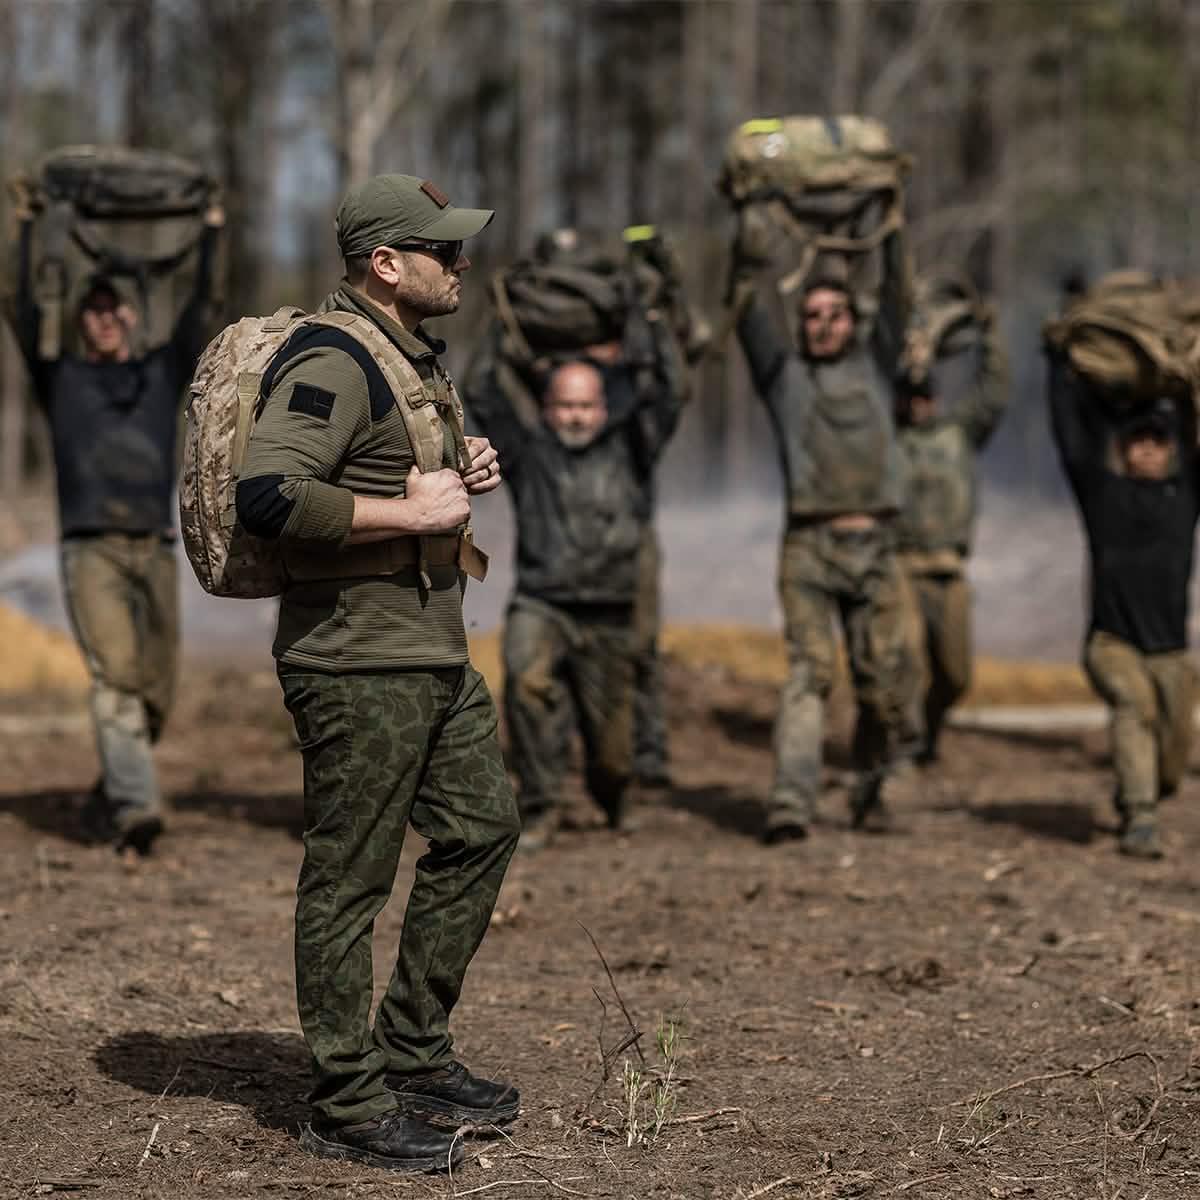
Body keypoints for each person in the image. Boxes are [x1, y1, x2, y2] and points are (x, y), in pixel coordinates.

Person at [235, 175, 521, 1173]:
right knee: (350, 883)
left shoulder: (403, 358)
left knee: (483, 830)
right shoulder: (333, 355)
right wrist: (414, 515)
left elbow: (382, 474)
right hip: (358, 664)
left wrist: (458, 472)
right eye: (442, 250)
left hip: (430, 653)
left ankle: (410, 1048)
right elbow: (267, 494)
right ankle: (346, 1104)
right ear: (385, 264)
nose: (462, 264)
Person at [7, 202, 222, 854]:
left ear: (129, 317)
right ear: (80, 322)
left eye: (112, 309)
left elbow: (199, 310)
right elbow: (19, 307)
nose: (100, 319)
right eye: (90, 311)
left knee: (156, 691)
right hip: (91, 547)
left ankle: (109, 796)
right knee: (116, 681)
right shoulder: (63, 377)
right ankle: (135, 809)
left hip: (155, 547)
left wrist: (210, 236)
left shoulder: (159, 374)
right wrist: (25, 229)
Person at [465, 307, 688, 849]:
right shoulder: (528, 451)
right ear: (546, 408)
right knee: (526, 678)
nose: (575, 416)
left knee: (612, 749)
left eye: (585, 405)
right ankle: (539, 805)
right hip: (542, 601)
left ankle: (613, 795)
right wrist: (502, 318)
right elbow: (479, 386)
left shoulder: (632, 447)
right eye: (564, 404)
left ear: (603, 407)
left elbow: (672, 392)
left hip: (611, 610)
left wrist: (654, 324)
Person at [733, 241, 920, 841]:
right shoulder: (784, 377)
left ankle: (871, 789)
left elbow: (899, 293)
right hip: (809, 549)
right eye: (811, 316)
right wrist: (750, 235)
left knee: (882, 681)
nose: (821, 326)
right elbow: (746, 310)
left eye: (833, 314)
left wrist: (889, 228)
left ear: (854, 319)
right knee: (809, 675)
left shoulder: (878, 364)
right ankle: (791, 804)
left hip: (878, 549)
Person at [1048, 356, 1199, 859]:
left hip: (1172, 652)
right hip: (1112, 642)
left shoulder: (1186, 496)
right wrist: (1060, 365)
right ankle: (1140, 818)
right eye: (1138, 442)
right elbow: (1071, 431)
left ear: (1171, 449)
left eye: (1158, 442)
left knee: (1172, 761)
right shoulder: (1103, 494)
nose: (1148, 451)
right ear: (1123, 448)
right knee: (1134, 706)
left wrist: (1185, 382)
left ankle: (1147, 792)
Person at [895, 313, 1008, 761]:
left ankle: (929, 728)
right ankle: (901, 747)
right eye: (912, 396)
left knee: (956, 674)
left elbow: (994, 392)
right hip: (899, 563)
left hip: (949, 564)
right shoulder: (888, 439)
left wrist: (989, 333)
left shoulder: (957, 435)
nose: (921, 405)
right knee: (903, 659)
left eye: (927, 396)